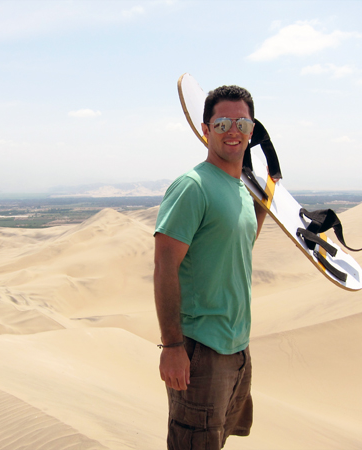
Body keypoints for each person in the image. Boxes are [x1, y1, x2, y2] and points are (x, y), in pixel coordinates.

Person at [154, 84, 267, 449]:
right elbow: (165, 265)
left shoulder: (240, 190)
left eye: (242, 123)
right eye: (221, 124)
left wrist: (267, 203)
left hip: (237, 348)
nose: (233, 131)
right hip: (201, 350)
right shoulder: (193, 186)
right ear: (205, 130)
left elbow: (236, 245)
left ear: (252, 131)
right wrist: (172, 346)